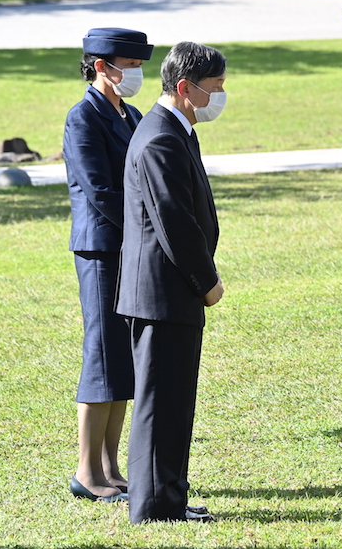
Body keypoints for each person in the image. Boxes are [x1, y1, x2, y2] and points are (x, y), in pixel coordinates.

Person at [116, 41, 226, 523]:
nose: (221, 96)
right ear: (185, 88)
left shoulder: (175, 127)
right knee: (161, 406)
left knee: (172, 403)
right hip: (163, 293)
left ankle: (168, 499)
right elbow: (174, 222)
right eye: (215, 88)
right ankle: (157, 508)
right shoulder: (160, 136)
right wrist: (208, 281)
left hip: (167, 294)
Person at [63, 27, 154, 503]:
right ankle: (86, 472)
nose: (136, 74)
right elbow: (100, 193)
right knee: (101, 356)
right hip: (101, 251)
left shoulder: (131, 113)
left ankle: (111, 468)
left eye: (140, 66)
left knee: (122, 358)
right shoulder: (83, 117)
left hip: (129, 249)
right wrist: (145, 223)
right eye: (130, 65)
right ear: (101, 65)